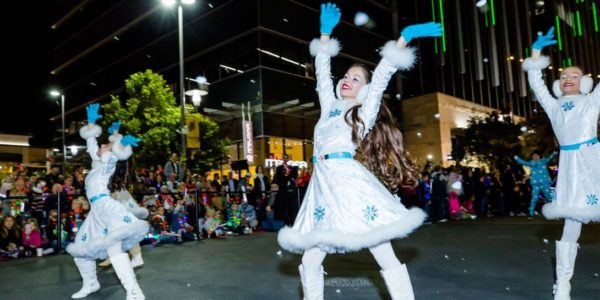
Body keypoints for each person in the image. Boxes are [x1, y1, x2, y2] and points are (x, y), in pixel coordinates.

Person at [277, 4, 440, 299]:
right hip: (322, 188)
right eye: (346, 76)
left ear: (363, 90)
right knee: (310, 258)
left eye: (355, 78)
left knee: (382, 251)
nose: (347, 80)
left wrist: (404, 38)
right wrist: (325, 33)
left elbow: (381, 78)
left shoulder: (364, 111)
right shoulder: (329, 107)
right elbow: (322, 74)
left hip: (352, 186)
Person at [522, 27, 600, 299]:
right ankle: (563, 284)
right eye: (564, 75)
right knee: (571, 224)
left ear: (585, 82)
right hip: (570, 169)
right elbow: (536, 82)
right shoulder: (554, 106)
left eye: (575, 75)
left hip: (594, 160)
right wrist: (535, 52)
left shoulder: (592, 102)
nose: (568, 78)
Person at [66, 105, 148, 299]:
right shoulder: (98, 165)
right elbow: (91, 144)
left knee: (114, 247)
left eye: (105, 146)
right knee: (80, 249)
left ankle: (134, 291)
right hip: (96, 212)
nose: (101, 146)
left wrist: (118, 140)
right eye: (103, 145)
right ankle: (91, 283)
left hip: (108, 208)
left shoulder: (108, 164)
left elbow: (115, 154)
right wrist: (92, 124)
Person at [514, 151, 558, 217]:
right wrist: (517, 158)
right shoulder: (531, 163)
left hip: (544, 182)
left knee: (549, 197)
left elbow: (550, 158)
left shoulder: (544, 161)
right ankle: (531, 213)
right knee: (534, 198)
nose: (535, 157)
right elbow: (524, 162)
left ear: (539, 156)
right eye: (533, 156)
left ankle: (556, 212)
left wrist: (554, 153)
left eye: (536, 155)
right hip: (535, 183)